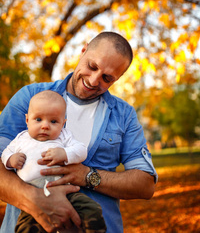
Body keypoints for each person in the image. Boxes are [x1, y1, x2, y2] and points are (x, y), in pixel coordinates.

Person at [0, 31, 158, 233]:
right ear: (83, 51)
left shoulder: (123, 115)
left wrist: (86, 176)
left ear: (116, 80)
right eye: (92, 66)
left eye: (107, 78)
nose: (93, 80)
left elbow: (145, 184)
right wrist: (34, 201)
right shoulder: (32, 97)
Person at [1, 90, 106, 233]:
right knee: (26, 227)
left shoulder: (64, 137)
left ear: (63, 123)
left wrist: (65, 153)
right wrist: (11, 160)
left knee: (92, 209)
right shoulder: (21, 138)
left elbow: (81, 150)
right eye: (38, 119)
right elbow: (5, 153)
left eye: (53, 121)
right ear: (27, 120)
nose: (45, 126)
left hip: (64, 190)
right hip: (32, 193)